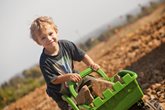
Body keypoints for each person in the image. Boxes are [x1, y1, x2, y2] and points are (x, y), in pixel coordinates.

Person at [30, 16, 101, 110]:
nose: (49, 38)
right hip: (61, 92)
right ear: (38, 42)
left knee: (90, 80)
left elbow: (82, 55)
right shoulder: (44, 61)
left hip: (74, 81)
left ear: (56, 31)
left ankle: (106, 88)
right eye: (43, 38)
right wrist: (68, 76)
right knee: (70, 106)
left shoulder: (66, 45)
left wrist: (91, 64)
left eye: (50, 33)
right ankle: (80, 99)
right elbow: (54, 80)